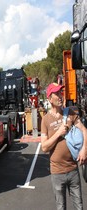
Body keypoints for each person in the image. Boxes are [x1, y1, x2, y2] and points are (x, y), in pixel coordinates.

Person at [41, 82, 87, 210]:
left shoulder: (70, 112)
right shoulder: (45, 120)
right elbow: (44, 147)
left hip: (73, 170)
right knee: (61, 207)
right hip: (57, 173)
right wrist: (58, 133)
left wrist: (84, 150)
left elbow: (85, 130)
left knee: (79, 206)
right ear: (49, 98)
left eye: (61, 92)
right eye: (56, 93)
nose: (60, 96)